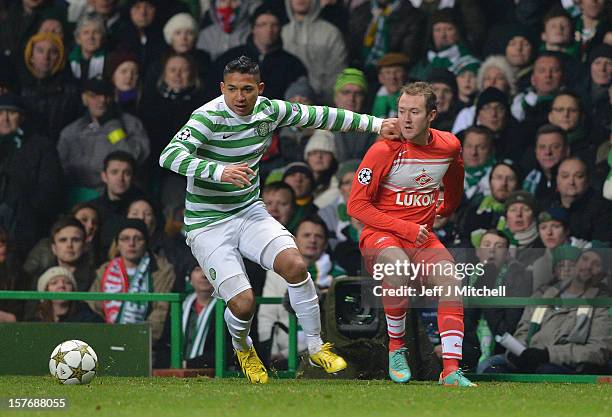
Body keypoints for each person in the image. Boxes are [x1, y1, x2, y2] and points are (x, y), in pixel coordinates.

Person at [158, 55, 398, 384]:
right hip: (208, 225)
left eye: (246, 89)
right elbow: (169, 155)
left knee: (296, 266)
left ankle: (316, 346)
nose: (239, 97)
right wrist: (220, 171)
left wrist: (376, 125)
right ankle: (243, 348)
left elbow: (321, 115)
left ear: (259, 88)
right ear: (221, 88)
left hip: (248, 211)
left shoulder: (269, 110)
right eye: (231, 89)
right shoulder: (207, 117)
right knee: (244, 304)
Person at [347, 81, 476, 386]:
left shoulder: (449, 146)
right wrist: (405, 227)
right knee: (397, 267)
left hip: (421, 237)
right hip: (380, 234)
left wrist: (446, 207)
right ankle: (396, 347)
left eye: (414, 112)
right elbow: (356, 205)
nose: (405, 119)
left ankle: (451, 371)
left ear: (432, 114)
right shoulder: (382, 150)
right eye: (401, 111)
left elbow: (456, 180)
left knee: (451, 281)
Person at [88, 219, 175, 345]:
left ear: (146, 243)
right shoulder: (104, 270)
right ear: (117, 244)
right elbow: (93, 307)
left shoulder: (162, 271)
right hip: (106, 340)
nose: (131, 243)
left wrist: (138, 338)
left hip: (144, 344)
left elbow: (161, 312)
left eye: (138, 238)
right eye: (125, 238)